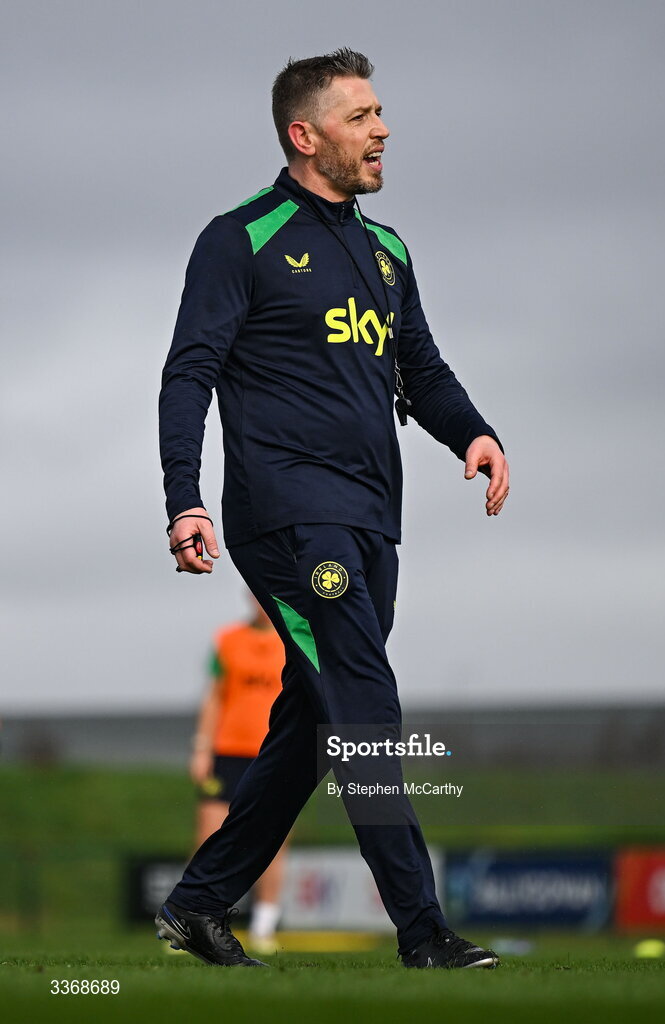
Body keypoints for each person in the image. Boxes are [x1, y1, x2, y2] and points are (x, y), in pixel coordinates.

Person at [156, 47, 510, 969]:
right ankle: (423, 932)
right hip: (285, 519)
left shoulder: (387, 250)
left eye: (380, 112)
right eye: (362, 116)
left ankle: (196, 904)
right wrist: (183, 500)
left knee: (315, 723)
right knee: (364, 706)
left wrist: (473, 434)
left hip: (370, 519)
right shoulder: (240, 238)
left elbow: (420, 369)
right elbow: (188, 371)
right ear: (304, 135)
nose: (382, 128)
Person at [190, 596, 288, 954]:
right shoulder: (227, 639)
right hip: (227, 752)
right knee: (208, 835)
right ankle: (192, 916)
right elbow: (214, 696)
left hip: (274, 753)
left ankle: (264, 926)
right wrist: (202, 747)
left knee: (273, 840)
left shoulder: (297, 638)